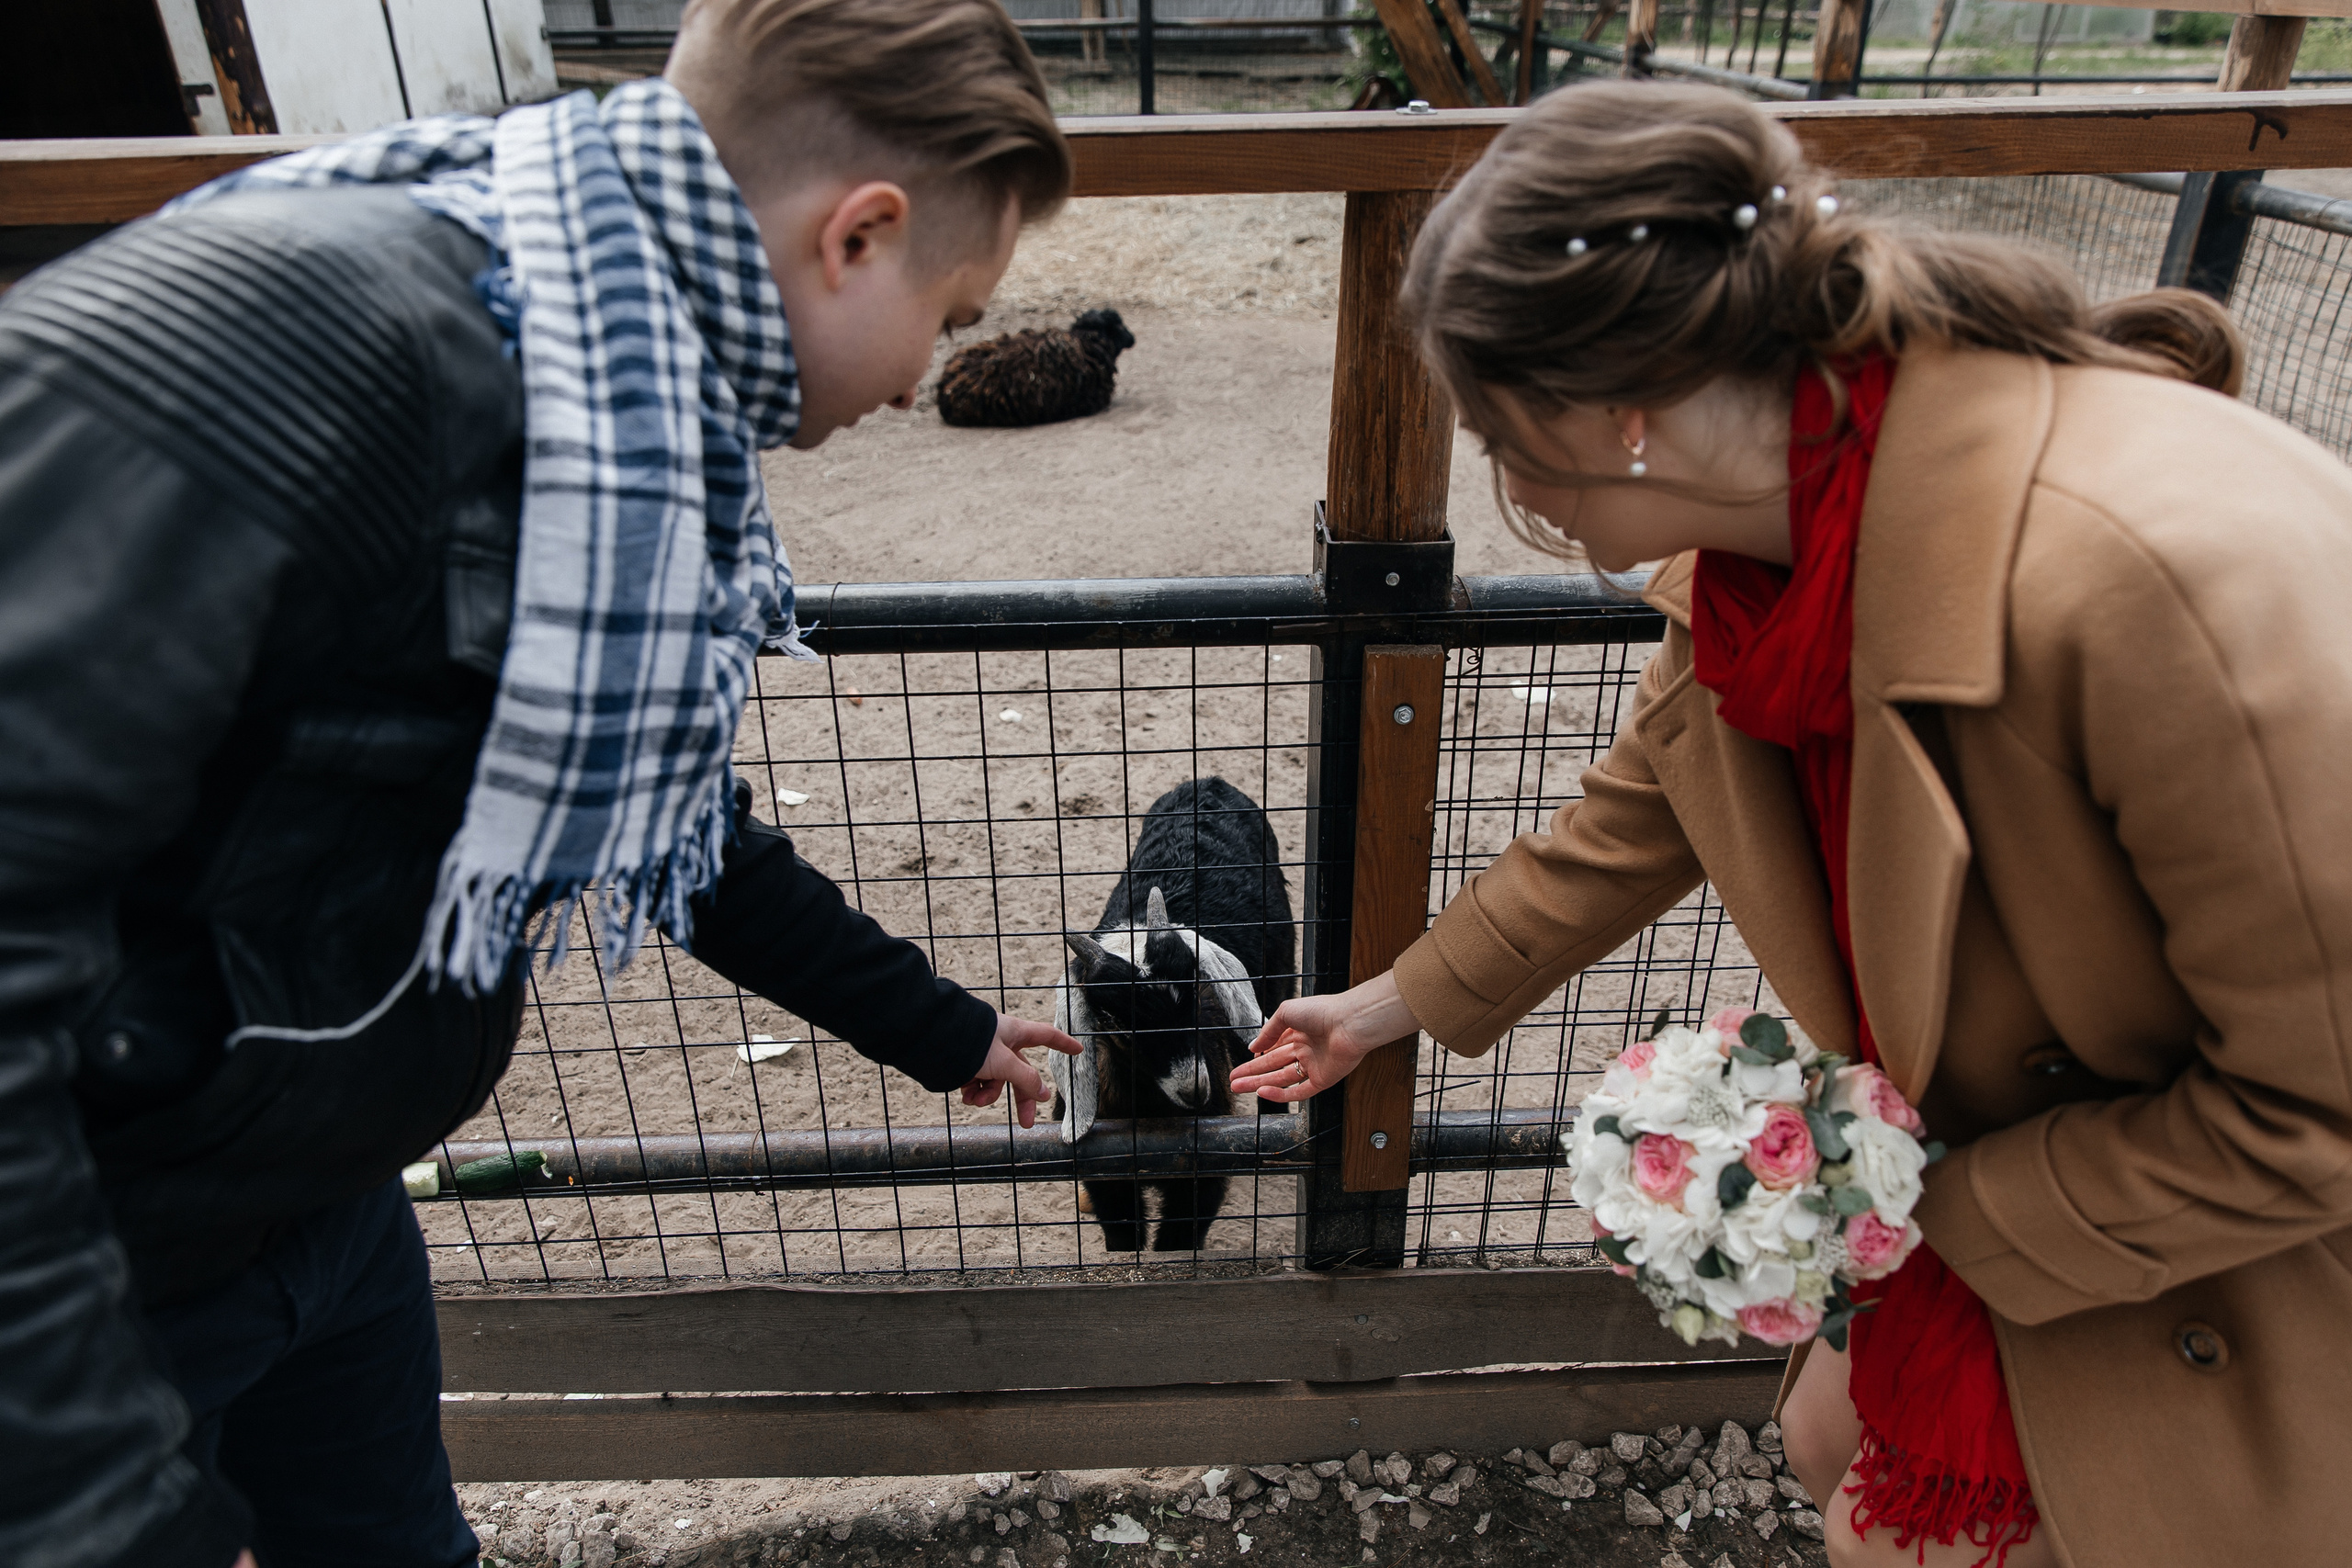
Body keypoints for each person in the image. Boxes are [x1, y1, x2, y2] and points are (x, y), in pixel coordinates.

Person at [0, 3, 1082, 1565]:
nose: (928, 379)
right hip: (103, 1263)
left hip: (318, 1199)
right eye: (955, 312)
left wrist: (941, 1029)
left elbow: (663, 821)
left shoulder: (595, 390)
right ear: (861, 235)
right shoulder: (322, 352)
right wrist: (98, 1506)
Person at [1236, 79, 2352, 1568]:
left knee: (1877, 1522)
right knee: (1825, 1439)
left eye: (1497, 438)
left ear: (1615, 418)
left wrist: (1922, 1207)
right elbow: (1631, 822)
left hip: (2240, 1245)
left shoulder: (2137, 585)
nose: (1505, 486)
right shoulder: (1777, 559)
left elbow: (2319, 1108)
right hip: (2042, 1165)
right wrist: (1384, 1010)